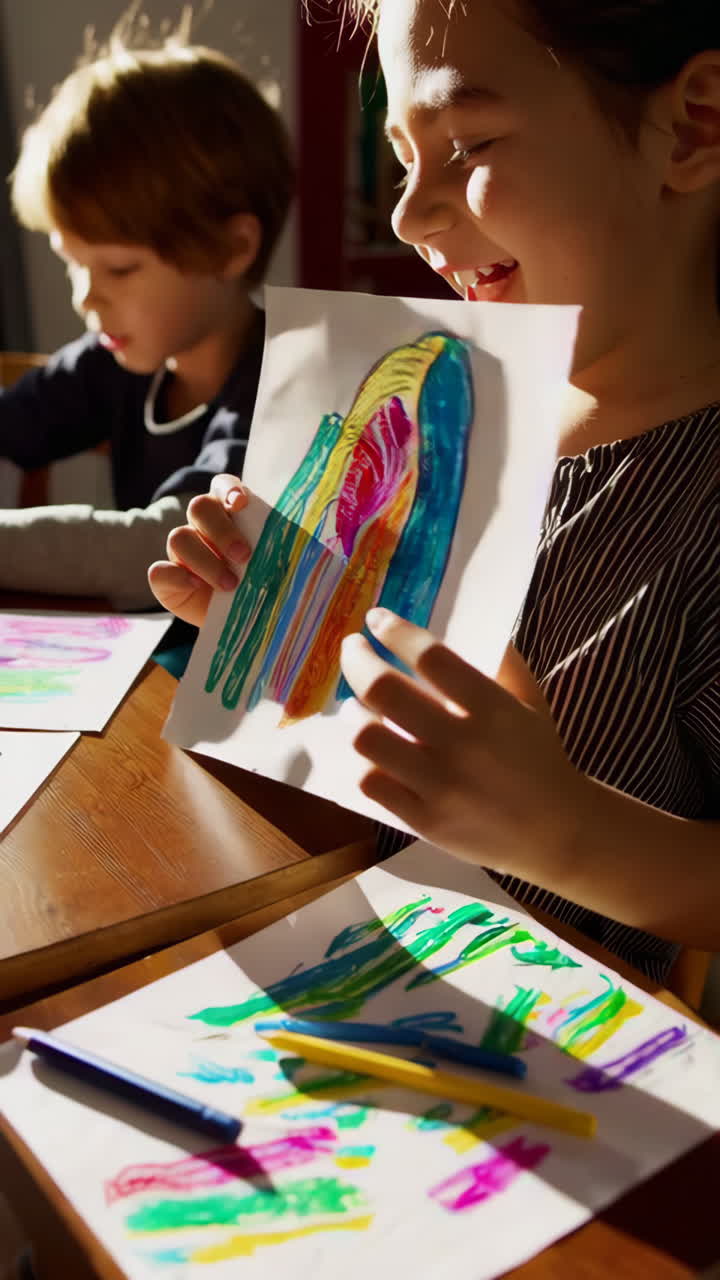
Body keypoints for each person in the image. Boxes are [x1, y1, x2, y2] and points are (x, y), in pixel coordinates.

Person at [149, 0, 719, 983]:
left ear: (695, 125)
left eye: (468, 144)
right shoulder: (441, 414)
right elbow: (362, 779)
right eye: (405, 159)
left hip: (545, 1038)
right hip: (333, 958)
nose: (409, 217)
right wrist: (285, 638)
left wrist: (567, 832)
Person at [0, 40, 293, 609]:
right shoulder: (111, 358)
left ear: (232, 248)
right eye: (73, 264)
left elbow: (168, 545)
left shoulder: (278, 388)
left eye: (119, 269)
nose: (86, 297)